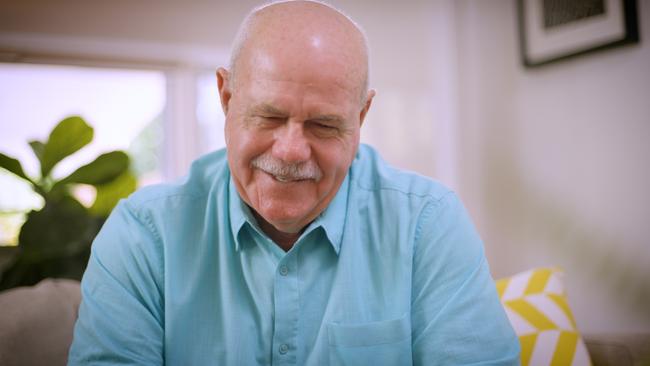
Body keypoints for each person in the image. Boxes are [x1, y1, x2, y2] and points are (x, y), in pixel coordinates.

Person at [68, 1, 520, 365]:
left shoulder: (428, 225)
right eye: (268, 116)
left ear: (360, 117)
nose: (289, 151)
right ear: (227, 98)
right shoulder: (144, 236)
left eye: (324, 124)